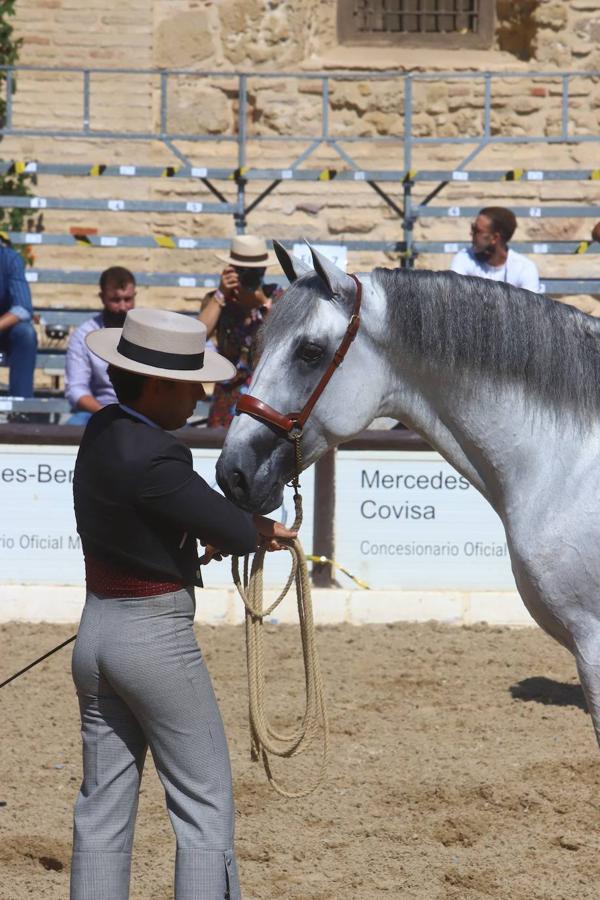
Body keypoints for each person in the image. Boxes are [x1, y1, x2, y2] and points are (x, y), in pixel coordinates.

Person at [70, 307, 296, 900]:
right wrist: (257, 531)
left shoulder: (101, 431)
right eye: (191, 382)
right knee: (204, 806)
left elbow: (158, 519)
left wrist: (200, 539)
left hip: (96, 631)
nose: (200, 392)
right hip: (153, 640)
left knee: (102, 809)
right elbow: (232, 526)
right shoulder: (161, 456)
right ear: (158, 384)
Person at [199, 235, 283, 427]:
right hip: (226, 401)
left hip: (266, 400)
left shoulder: (277, 298)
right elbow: (195, 338)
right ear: (231, 270)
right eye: (243, 271)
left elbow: (286, 339)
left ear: (264, 269)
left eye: (255, 270)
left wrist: (263, 304)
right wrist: (220, 295)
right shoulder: (219, 300)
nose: (249, 276)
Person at [64, 266, 136, 424]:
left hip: (145, 412)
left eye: (128, 299)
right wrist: (105, 414)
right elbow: (76, 389)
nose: (123, 307)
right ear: (102, 297)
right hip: (100, 410)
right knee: (73, 426)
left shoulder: (146, 330)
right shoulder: (84, 334)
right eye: (116, 300)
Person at [450, 206, 540, 292]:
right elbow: (454, 297)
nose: (471, 233)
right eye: (473, 228)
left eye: (477, 230)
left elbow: (531, 306)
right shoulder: (464, 258)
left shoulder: (524, 268)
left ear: (495, 238)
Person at [0, 242, 37, 400]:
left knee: (25, 333)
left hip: (4, 331)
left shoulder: (10, 259)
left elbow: (22, 308)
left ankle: (21, 408)